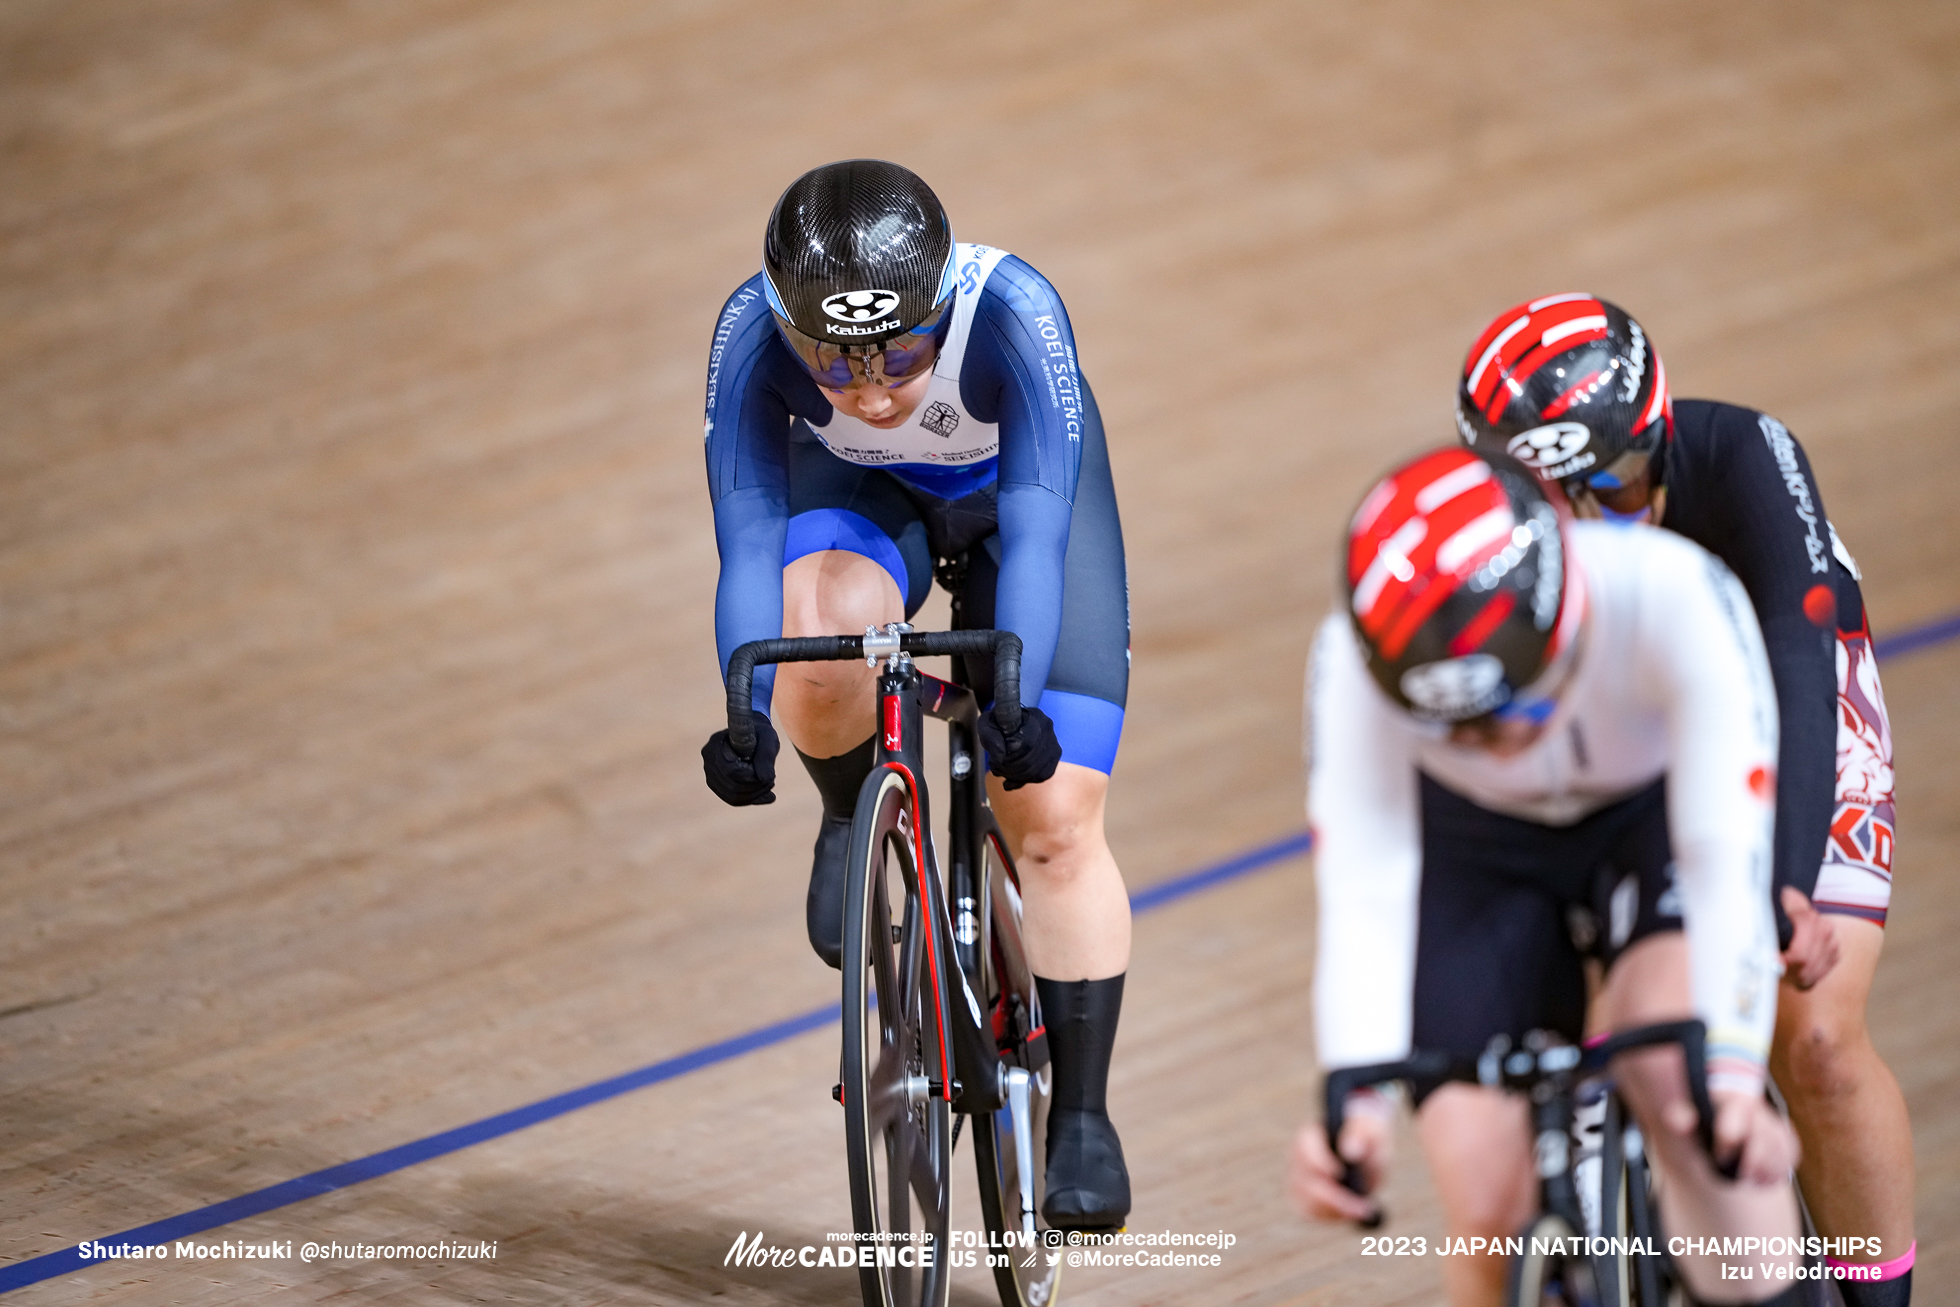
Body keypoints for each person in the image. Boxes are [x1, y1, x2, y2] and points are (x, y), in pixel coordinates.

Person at [1451, 294, 1913, 1305]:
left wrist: (1786, 886)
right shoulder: (1484, 541)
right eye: (1556, 504)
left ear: (1658, 437)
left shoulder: (1745, 451)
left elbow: (1797, 655)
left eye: (1615, 490)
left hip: (1782, 671)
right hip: (1621, 689)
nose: (1596, 528)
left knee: (1817, 1036)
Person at [696, 159, 1133, 1230]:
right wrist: (741, 707)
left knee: (1055, 820)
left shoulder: (1014, 312)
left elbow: (1036, 526)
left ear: (939, 306)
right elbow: (749, 534)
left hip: (1016, 500)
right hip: (864, 496)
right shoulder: (749, 329)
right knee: (810, 630)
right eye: (834, 367)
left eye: (899, 354)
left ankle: (1079, 1111)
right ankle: (850, 804)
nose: (876, 391)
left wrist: (1016, 691)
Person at [1290, 445, 1809, 1307]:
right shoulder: (1348, 664)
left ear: (1567, 619)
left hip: (1651, 815)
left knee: (1693, 1109)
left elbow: (1723, 860)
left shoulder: (1674, 597)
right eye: (1456, 730)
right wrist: (1359, 1105)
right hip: (1475, 845)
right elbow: (1367, 890)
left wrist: (1732, 1075)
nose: (1494, 744)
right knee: (1482, 1199)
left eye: (1518, 709)